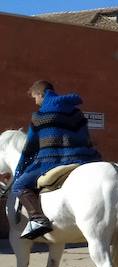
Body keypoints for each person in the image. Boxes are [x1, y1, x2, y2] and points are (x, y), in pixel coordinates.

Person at [10, 80, 102, 240]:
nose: (36, 102)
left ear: (41, 94)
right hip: (83, 158)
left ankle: (37, 219)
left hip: (51, 161)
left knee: (19, 185)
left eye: (35, 98)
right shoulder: (76, 113)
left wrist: (20, 170)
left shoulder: (39, 116)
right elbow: (87, 139)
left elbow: (30, 148)